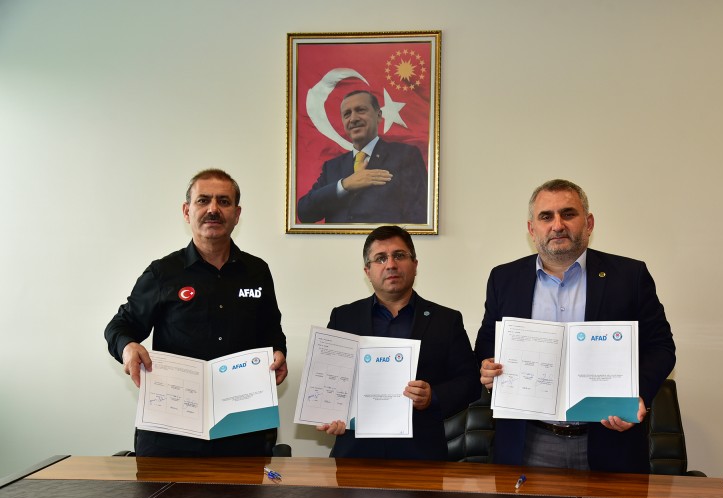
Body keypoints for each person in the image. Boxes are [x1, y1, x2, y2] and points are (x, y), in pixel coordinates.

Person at [476, 179, 675, 473]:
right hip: (529, 442)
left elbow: (661, 347)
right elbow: (486, 344)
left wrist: (639, 395)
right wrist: (487, 366)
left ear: (589, 223)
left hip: (610, 440)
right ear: (532, 229)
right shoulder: (504, 278)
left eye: (568, 214)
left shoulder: (629, 276)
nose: (557, 225)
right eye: (546, 216)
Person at [104, 168, 288, 457]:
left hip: (243, 431)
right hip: (171, 434)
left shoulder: (257, 271)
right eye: (203, 200)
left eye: (224, 201)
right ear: (187, 211)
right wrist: (127, 348)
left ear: (237, 214)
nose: (213, 209)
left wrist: (279, 352)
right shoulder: (162, 272)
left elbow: (272, 331)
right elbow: (120, 326)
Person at [316, 225, 480, 459]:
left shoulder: (446, 320)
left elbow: (470, 382)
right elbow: (326, 381)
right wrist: (330, 414)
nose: (391, 264)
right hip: (355, 454)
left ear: (415, 264)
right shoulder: (343, 318)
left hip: (422, 455)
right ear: (367, 271)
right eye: (380, 258)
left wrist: (432, 396)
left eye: (399, 255)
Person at [296, 90, 428, 224]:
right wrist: (345, 185)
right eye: (347, 114)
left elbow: (419, 215)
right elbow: (304, 213)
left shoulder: (405, 156)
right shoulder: (331, 167)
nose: (353, 119)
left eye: (360, 110)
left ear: (379, 116)